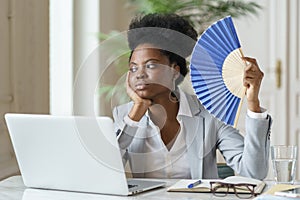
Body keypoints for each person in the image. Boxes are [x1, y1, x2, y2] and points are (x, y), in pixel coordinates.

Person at [113, 13, 272, 179]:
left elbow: (254, 173)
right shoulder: (125, 117)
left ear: (175, 71)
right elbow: (103, 170)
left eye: (150, 65)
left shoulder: (211, 114)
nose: (139, 74)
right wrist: (136, 112)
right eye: (133, 68)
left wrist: (253, 103)